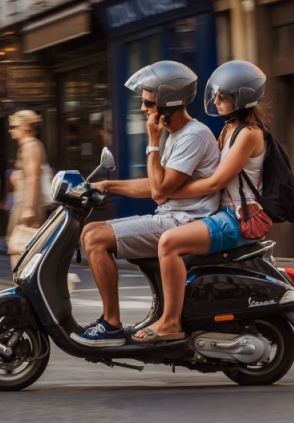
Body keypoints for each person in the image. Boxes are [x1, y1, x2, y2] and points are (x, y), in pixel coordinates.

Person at [73, 60, 220, 347]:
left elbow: (160, 190)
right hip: (170, 217)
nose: (143, 109)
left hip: (182, 223)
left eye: (149, 103)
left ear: (168, 102)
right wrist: (106, 185)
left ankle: (111, 323)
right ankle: (112, 321)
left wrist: (153, 142)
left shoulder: (194, 135)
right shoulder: (179, 135)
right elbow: (156, 185)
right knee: (91, 231)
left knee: (94, 238)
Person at [132, 60, 268, 343]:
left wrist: (165, 192)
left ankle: (170, 323)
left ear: (241, 99)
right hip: (222, 213)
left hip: (237, 218)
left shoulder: (249, 134)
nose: (216, 102)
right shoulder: (228, 129)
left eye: (224, 97)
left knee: (169, 242)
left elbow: (216, 182)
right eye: (216, 96)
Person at [7, 109, 50, 267]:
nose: (11, 130)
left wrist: (29, 207)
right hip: (23, 201)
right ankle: (27, 284)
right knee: (22, 245)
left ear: (25, 127)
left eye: (14, 126)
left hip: (27, 203)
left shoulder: (31, 145)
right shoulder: (27, 146)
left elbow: (34, 176)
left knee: (19, 245)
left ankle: (27, 285)